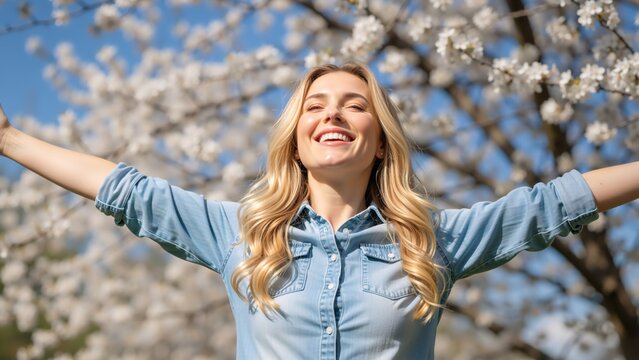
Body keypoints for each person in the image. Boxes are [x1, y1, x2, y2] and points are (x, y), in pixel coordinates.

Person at [0, 63, 638, 359]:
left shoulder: (432, 242)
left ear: (379, 136)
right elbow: (126, 190)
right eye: (315, 104)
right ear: (296, 136)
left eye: (354, 104)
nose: (333, 112)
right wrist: (9, 139)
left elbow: (552, 204)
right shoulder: (241, 233)